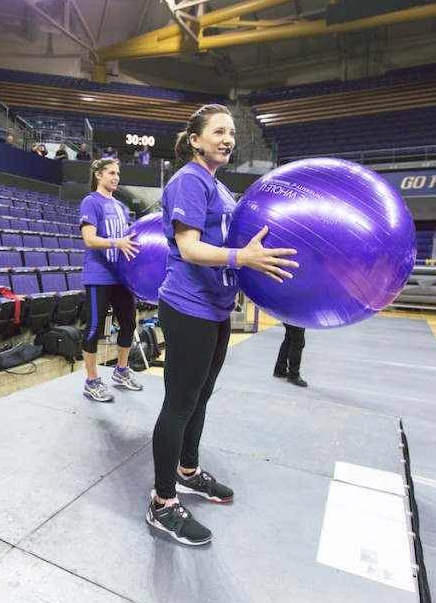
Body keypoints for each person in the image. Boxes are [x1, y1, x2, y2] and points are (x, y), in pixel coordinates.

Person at [147, 104, 297, 545]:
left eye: (232, 132)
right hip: (188, 306)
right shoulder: (190, 181)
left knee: (200, 397)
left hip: (215, 307)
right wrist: (243, 258)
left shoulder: (220, 188)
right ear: (195, 139)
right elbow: (190, 248)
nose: (228, 138)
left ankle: (188, 472)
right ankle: (161, 502)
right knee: (179, 403)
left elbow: (237, 242)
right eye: (218, 131)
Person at [78, 158, 143, 402]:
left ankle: (121, 371)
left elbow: (128, 237)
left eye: (118, 173)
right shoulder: (91, 202)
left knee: (128, 325)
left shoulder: (120, 206)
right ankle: (92, 381)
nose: (116, 177)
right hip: (98, 275)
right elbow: (89, 239)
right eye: (111, 173)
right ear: (98, 175)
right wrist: (117, 243)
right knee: (95, 328)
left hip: (121, 276)